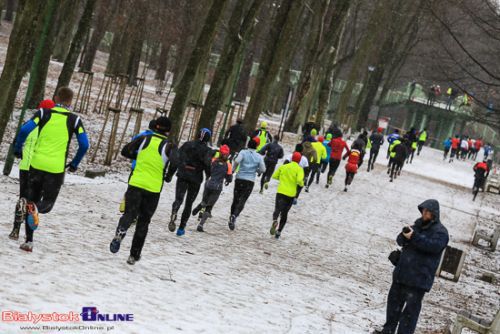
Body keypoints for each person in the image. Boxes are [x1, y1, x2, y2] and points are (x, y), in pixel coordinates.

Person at [10, 87, 89, 251]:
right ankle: (35, 209)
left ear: (56, 98)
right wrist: (75, 163)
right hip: (55, 168)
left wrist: (18, 148)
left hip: (36, 164)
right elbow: (84, 144)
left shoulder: (43, 113)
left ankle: (29, 241)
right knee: (46, 204)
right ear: (70, 101)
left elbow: (24, 129)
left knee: (31, 199)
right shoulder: (74, 120)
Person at [375, 200, 449, 334]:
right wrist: (404, 236)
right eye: (423, 211)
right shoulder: (416, 226)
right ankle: (388, 331)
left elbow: (432, 246)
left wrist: (413, 237)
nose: (424, 214)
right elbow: (400, 240)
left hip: (418, 281)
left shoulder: (441, 233)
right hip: (401, 276)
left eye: (427, 211)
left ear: (434, 214)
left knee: (409, 315)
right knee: (393, 309)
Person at [109, 117, 174, 265]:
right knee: (144, 221)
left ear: (155, 126)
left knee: (129, 213)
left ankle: (121, 231)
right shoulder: (170, 146)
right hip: (153, 188)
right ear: (169, 131)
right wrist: (168, 175)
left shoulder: (144, 138)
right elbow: (176, 162)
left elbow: (125, 151)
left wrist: (139, 156)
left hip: (136, 183)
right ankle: (133, 255)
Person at [9, 100, 56, 240]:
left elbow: (16, 141)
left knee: (22, 197)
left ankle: (15, 229)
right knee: (34, 201)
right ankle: (29, 234)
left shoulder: (29, 125)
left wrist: (18, 152)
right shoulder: (52, 130)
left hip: (25, 166)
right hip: (41, 168)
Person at [167, 128, 213, 236]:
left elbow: (176, 159)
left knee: (179, 198)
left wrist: (171, 173)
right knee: (189, 203)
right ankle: (181, 228)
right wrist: (208, 176)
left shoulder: (187, 145)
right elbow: (207, 165)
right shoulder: (207, 150)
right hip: (196, 178)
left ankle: (175, 209)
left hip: (182, 174)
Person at [192, 144, 233, 232]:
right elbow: (229, 178)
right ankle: (201, 225)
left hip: (208, 184)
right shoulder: (228, 165)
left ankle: (200, 206)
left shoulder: (213, 161)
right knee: (209, 207)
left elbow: (208, 168)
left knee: (205, 200)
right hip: (217, 187)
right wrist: (226, 178)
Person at [229, 137, 266, 230]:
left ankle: (231, 216)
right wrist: (256, 170)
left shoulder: (243, 152)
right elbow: (263, 169)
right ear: (257, 146)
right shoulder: (258, 157)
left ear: (248, 144)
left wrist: (233, 170)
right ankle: (235, 215)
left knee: (236, 199)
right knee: (243, 200)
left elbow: (237, 161)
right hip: (250, 181)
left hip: (240, 178)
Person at [270, 152, 304, 239]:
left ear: (292, 158)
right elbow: (300, 181)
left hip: (281, 191)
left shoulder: (283, 166)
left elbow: (274, 176)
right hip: (291, 194)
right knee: (284, 213)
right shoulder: (299, 169)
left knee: (277, 209)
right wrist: (301, 184)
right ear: (299, 160)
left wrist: (282, 179)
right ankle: (279, 231)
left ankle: (274, 220)